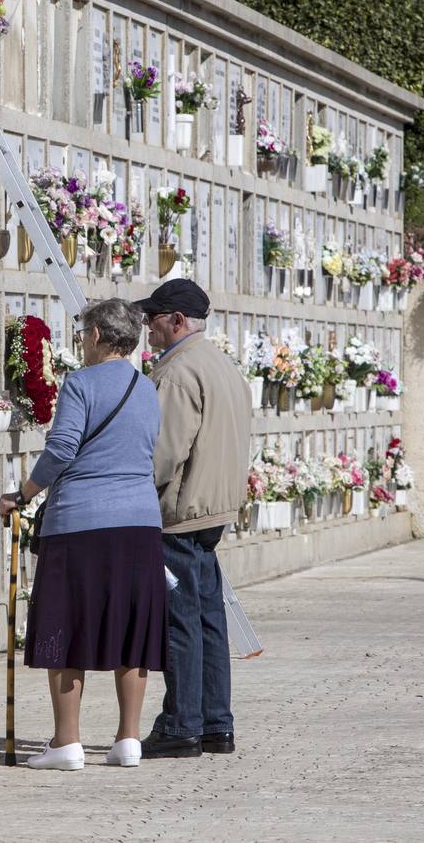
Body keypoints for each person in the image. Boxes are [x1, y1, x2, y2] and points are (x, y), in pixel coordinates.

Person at [0, 299, 166, 771]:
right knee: (133, 628)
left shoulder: (81, 382)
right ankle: (128, 738)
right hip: (139, 522)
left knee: (66, 625)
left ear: (95, 336)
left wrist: (24, 493)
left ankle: (67, 742)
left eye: (81, 334)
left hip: (81, 523)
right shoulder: (147, 387)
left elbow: (63, 448)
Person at [132, 278, 251, 759]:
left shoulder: (177, 373)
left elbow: (162, 453)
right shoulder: (223, 365)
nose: (148, 329)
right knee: (208, 620)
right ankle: (216, 724)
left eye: (154, 319)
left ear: (177, 320)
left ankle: (182, 724)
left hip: (180, 511)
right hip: (214, 509)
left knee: (179, 622)